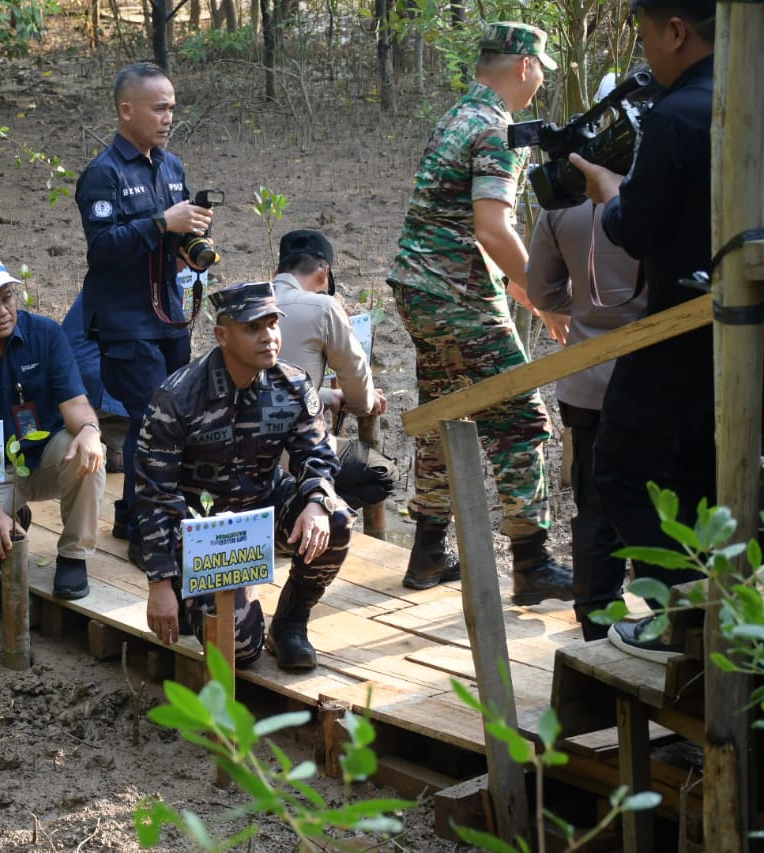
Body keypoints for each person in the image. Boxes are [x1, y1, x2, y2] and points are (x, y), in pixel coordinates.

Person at [386, 21, 573, 603]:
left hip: (422, 291)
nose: (541, 80)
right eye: (541, 69)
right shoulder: (497, 129)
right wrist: (543, 292)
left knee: (447, 414)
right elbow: (492, 228)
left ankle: (426, 554)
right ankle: (533, 562)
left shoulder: (459, 115)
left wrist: (514, 288)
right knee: (521, 420)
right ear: (523, 67)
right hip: (454, 296)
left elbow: (457, 224)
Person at [569, 0, 715, 660]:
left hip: (680, 330)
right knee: (707, 473)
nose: (647, 52)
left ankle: (682, 611)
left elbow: (638, 227)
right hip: (735, 336)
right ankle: (726, 613)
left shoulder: (678, 115)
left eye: (649, 35)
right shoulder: (743, 99)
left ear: (677, 31)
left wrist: (608, 191)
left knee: (621, 470)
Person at [136, 281, 355, 671]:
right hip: (201, 531)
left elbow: (316, 453)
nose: (269, 337)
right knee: (239, 652)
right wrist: (160, 584)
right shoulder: (179, 398)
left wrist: (317, 501)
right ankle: (196, 596)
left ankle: (289, 623)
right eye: (254, 328)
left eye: (273, 324)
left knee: (336, 519)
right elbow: (155, 494)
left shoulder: (292, 385)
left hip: (263, 508)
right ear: (222, 335)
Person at [76, 61, 212, 567]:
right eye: (159, 108)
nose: (169, 116)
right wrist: (162, 223)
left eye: (173, 107)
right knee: (151, 421)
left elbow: (172, 237)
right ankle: (144, 533)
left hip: (170, 316)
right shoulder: (103, 173)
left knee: (171, 420)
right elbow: (103, 250)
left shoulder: (172, 166)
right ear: (126, 110)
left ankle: (139, 512)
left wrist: (191, 237)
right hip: (125, 322)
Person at [0, 253, 106, 600]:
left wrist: (89, 430)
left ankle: (74, 554)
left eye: (7, 298)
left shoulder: (45, 333)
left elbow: (74, 402)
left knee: (90, 452)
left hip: (47, 456)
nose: (2, 311)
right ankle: (12, 517)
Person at [527, 198, 646, 640]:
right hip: (658, 375)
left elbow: (541, 292)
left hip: (586, 381)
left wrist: (586, 306)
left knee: (596, 501)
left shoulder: (562, 204)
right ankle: (674, 613)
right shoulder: (661, 189)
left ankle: (597, 614)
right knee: (666, 497)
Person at [273, 229, 398, 511]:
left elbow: (270, 380)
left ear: (276, 270)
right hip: (292, 451)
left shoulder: (249, 302)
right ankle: (312, 511)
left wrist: (325, 396)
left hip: (237, 451)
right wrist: (367, 402)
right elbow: (357, 387)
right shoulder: (323, 306)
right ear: (324, 273)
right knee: (383, 474)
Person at [61, 293, 130, 472]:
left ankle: (111, 443)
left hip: (70, 383)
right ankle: (118, 449)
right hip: (93, 383)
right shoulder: (147, 282)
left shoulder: (108, 274)